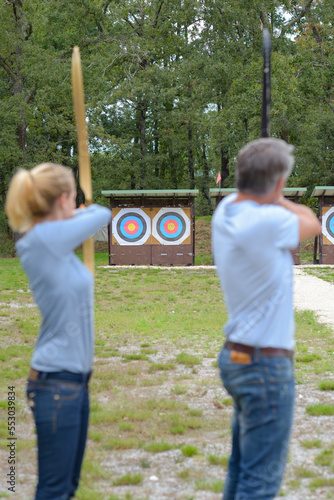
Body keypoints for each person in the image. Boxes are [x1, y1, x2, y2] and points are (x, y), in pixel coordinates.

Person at [211, 138, 321, 500]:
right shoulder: (270, 220)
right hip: (265, 364)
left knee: (242, 469)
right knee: (260, 481)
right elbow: (313, 222)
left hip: (238, 357)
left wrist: (271, 193)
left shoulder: (226, 209)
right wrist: (280, 198)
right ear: (277, 184)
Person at [5, 162, 111, 500]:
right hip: (55, 381)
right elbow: (101, 214)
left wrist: (76, 212)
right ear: (64, 199)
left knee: (67, 487)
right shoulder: (41, 240)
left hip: (73, 380)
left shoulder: (53, 243)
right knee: (54, 490)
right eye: (72, 198)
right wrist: (85, 210)